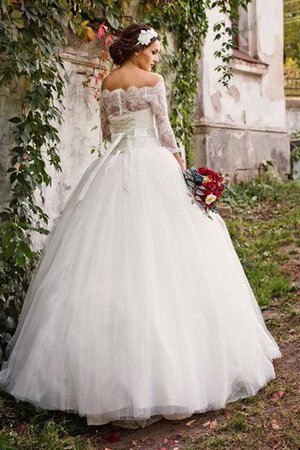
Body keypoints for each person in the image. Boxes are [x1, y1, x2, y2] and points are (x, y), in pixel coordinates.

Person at [0, 23, 281, 429]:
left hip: (114, 166)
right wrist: (183, 170)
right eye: (152, 50)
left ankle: (93, 378)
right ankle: (174, 377)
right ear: (137, 50)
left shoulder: (109, 83)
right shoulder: (153, 81)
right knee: (173, 256)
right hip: (153, 164)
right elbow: (165, 132)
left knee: (102, 257)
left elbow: (107, 132)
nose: (156, 57)